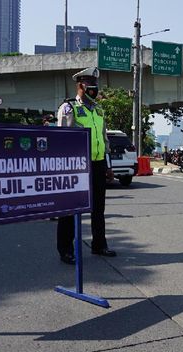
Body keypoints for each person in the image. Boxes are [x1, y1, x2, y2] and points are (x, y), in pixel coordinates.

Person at [55, 67, 116, 264]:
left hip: (97, 164)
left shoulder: (99, 110)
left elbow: (104, 140)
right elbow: (62, 141)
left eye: (96, 84)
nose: (95, 88)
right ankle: (66, 249)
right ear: (80, 85)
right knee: (71, 209)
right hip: (76, 167)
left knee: (98, 208)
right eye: (91, 84)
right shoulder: (69, 108)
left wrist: (108, 165)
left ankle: (100, 245)